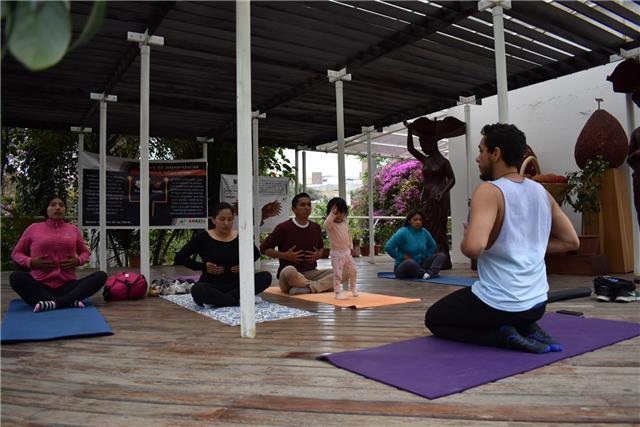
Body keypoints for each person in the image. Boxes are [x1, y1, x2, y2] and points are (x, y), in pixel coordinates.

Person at [425, 123, 579, 354]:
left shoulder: (489, 191)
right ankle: (527, 325)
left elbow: (473, 248)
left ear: (496, 153)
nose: (478, 158)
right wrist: (526, 246)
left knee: (434, 319)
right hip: (537, 303)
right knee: (508, 310)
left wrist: (468, 236)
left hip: (500, 304)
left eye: (481, 150)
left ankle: (502, 336)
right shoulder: (541, 191)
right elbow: (571, 242)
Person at [10, 196, 107, 312]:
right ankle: (69, 301)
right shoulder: (33, 228)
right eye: (53, 205)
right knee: (15, 277)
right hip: (40, 285)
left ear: (65, 209)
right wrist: (31, 262)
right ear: (46, 209)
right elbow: (16, 253)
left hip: (68, 285)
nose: (57, 208)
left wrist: (78, 261)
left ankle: (53, 303)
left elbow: (85, 252)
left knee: (101, 276)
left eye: (61, 205)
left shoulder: (73, 230)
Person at [174, 202, 272, 307]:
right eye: (222, 219)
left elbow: (256, 254)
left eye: (230, 219)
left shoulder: (241, 236)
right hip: (212, 284)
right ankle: (236, 300)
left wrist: (244, 265)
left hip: (237, 284)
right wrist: (204, 267)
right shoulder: (203, 237)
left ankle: (221, 300)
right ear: (213, 220)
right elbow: (180, 257)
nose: (226, 223)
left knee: (265, 277)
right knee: (197, 290)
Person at [404, 117, 465, 270]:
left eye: (424, 145)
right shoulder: (425, 160)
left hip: (439, 196)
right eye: (422, 145)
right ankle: (430, 257)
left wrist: (442, 192)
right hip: (426, 196)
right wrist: (410, 130)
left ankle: (443, 258)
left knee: (439, 228)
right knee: (427, 226)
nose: (423, 148)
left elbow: (452, 179)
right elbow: (411, 149)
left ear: (432, 143)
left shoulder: (444, 162)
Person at [261, 192, 344, 295]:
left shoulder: (316, 228)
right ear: (294, 209)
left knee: (344, 271)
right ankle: (319, 286)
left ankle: (307, 288)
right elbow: (264, 249)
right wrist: (284, 255)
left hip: (311, 273)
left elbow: (321, 248)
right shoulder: (283, 228)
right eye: (302, 205)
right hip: (290, 274)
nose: (306, 207)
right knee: (289, 271)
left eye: (309, 205)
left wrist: (318, 254)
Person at [384, 209, 447, 279]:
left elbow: (432, 246)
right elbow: (388, 247)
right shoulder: (403, 232)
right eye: (415, 219)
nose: (418, 222)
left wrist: (425, 255)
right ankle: (424, 273)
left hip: (420, 264)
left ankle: (430, 273)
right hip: (403, 267)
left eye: (420, 220)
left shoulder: (424, 232)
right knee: (410, 263)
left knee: (441, 255)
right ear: (409, 221)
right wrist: (402, 256)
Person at [324, 197, 358, 300]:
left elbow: (349, 235)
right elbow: (325, 225)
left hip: (347, 252)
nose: (338, 215)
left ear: (345, 212)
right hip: (336, 254)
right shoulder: (331, 225)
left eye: (341, 212)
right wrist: (332, 215)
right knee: (338, 274)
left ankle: (353, 287)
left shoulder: (344, 222)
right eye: (336, 213)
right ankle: (338, 292)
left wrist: (351, 247)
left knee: (353, 270)